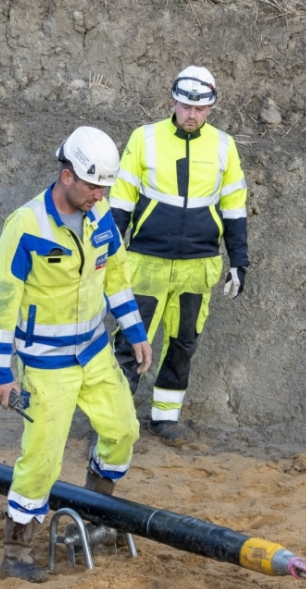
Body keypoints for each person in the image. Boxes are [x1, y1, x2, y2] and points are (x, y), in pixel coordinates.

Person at [0, 126, 152, 583]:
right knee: (42, 456)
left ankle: (96, 508)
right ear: (66, 176)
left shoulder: (99, 220)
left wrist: (134, 331)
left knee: (122, 429)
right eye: (94, 185)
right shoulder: (26, 226)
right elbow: (4, 301)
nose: (101, 195)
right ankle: (17, 549)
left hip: (94, 354)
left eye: (105, 187)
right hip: (46, 364)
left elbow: (115, 276)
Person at [109, 66, 249, 447]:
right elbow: (120, 201)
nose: (192, 114)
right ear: (172, 100)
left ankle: (165, 418)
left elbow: (234, 207)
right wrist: (105, 253)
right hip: (145, 262)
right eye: (186, 105)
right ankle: (114, 421)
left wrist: (239, 261)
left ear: (211, 109)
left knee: (184, 342)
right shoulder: (144, 139)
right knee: (129, 342)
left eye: (201, 109)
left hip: (197, 265)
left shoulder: (224, 147)